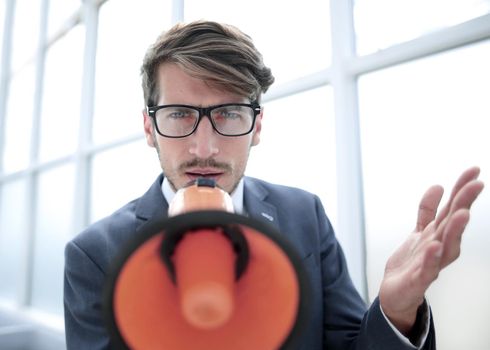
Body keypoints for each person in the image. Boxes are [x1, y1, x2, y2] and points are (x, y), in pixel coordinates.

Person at [63, 20, 484, 349]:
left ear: (257, 125)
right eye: (179, 114)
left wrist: (395, 311)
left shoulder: (305, 216)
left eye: (228, 113)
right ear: (149, 127)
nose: (203, 147)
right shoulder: (94, 256)